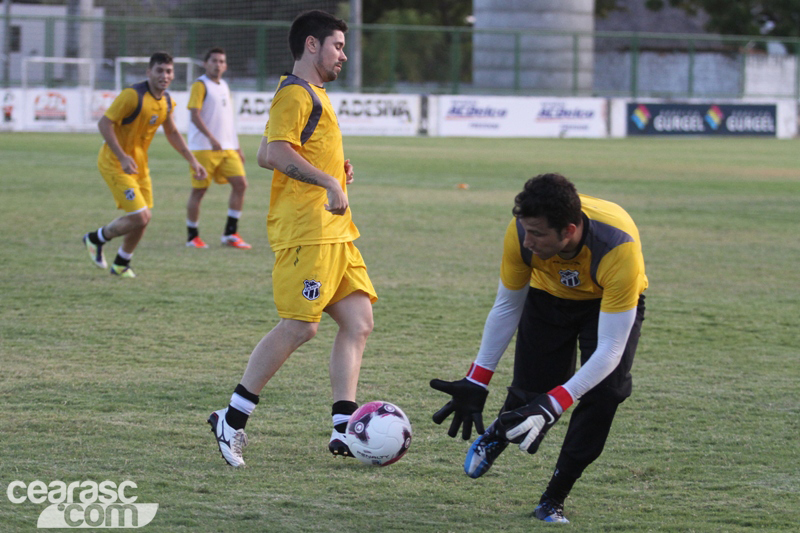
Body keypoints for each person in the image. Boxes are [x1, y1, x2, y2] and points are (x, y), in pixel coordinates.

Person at [208, 10, 377, 468]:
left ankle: (343, 429)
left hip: (335, 233)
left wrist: (335, 171)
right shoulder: (295, 93)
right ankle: (231, 419)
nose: (343, 55)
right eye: (337, 46)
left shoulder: (313, 94)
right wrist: (328, 181)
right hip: (307, 232)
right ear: (311, 45)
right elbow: (276, 153)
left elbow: (268, 151)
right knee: (301, 326)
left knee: (358, 322)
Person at [431, 173, 647, 523]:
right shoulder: (520, 232)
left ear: (569, 231)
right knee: (531, 392)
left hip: (606, 305)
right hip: (547, 297)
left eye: (538, 234)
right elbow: (506, 307)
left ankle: (553, 498)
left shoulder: (618, 248)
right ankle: (499, 431)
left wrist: (558, 401)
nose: (528, 240)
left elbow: (610, 347)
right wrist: (477, 379)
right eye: (525, 230)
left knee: (605, 395)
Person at [82, 52, 206, 277]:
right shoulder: (132, 96)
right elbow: (104, 123)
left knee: (144, 218)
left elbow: (172, 132)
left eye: (168, 71)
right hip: (114, 162)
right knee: (139, 216)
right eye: (159, 70)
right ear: (149, 72)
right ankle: (96, 238)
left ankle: (121, 263)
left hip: (139, 165)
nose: (164, 76)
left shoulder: (166, 101)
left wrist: (193, 160)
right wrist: (122, 157)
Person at [185, 47, 251, 250]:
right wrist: (211, 138)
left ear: (226, 66)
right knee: (199, 191)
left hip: (227, 148)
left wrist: (237, 147)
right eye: (214, 60)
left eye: (221, 61)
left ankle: (230, 233)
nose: (218, 64)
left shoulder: (224, 85)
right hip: (204, 148)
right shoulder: (200, 85)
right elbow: (194, 115)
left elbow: (228, 120)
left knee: (241, 185)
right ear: (206, 64)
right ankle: (192, 236)